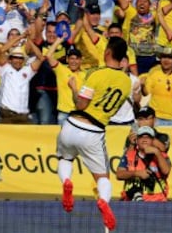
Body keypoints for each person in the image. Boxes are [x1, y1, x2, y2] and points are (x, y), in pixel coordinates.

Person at [56, 37, 131, 231]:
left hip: (72, 125)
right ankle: (104, 202)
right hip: (94, 131)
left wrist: (73, 89)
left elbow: (81, 104)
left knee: (65, 158)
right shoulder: (126, 83)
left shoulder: (95, 74)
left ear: (107, 52)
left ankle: (66, 181)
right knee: (103, 178)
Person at [116, 126, 171, 201]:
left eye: (148, 137)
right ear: (137, 140)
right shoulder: (129, 155)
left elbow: (166, 171)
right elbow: (119, 174)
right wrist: (137, 173)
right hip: (131, 201)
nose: (144, 139)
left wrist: (157, 152)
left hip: (157, 201)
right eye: (141, 137)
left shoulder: (161, 155)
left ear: (153, 140)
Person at [0, 41, 45, 124]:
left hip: (23, 115)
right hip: (8, 114)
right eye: (15, 58)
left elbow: (41, 58)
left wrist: (30, 41)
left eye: (20, 58)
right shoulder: (5, 68)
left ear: (23, 60)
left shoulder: (27, 70)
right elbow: (2, 51)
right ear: (10, 59)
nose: (18, 61)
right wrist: (20, 37)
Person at [45, 37, 87, 125]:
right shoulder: (61, 69)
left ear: (80, 61)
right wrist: (58, 40)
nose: (74, 61)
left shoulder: (85, 75)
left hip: (78, 114)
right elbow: (48, 55)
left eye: (76, 59)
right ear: (67, 60)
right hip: (63, 113)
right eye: (71, 58)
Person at [115, 0, 157, 74]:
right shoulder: (131, 12)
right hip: (132, 56)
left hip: (149, 56)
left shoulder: (154, 15)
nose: (142, 3)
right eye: (139, 1)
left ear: (149, 5)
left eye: (145, 1)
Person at [140, 47, 172, 125]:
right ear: (160, 59)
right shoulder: (154, 73)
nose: (166, 60)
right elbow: (146, 94)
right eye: (164, 57)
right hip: (156, 117)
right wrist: (142, 85)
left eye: (170, 58)